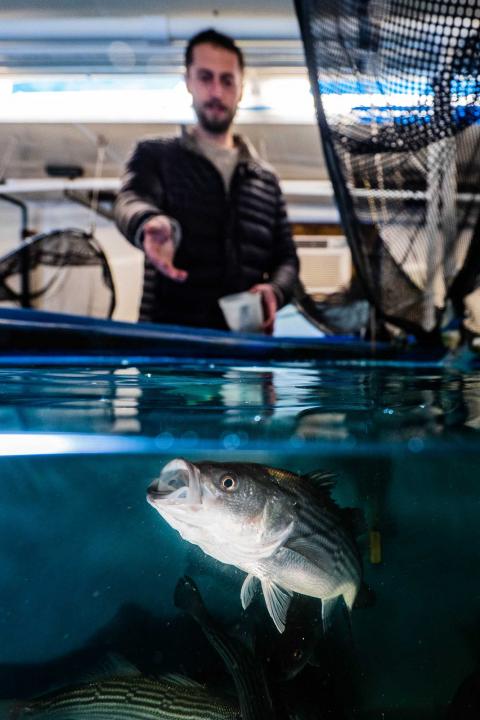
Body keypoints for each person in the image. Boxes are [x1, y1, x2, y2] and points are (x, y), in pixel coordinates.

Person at [114, 28, 299, 334]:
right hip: (169, 349)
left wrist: (276, 292)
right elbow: (129, 201)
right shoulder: (155, 156)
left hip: (245, 353)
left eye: (227, 80)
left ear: (240, 88)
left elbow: (287, 259)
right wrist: (148, 222)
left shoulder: (265, 180)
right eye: (205, 77)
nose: (216, 92)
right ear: (188, 81)